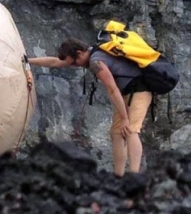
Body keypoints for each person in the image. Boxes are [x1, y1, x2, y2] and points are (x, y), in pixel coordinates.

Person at [28, 39, 152, 177]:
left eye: (74, 62)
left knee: (130, 130)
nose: (74, 66)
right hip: (126, 93)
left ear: (79, 53)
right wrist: (28, 61)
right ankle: (119, 176)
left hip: (140, 90)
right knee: (117, 134)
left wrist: (124, 118)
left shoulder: (96, 62)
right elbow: (54, 62)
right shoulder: (90, 55)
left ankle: (134, 176)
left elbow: (112, 89)